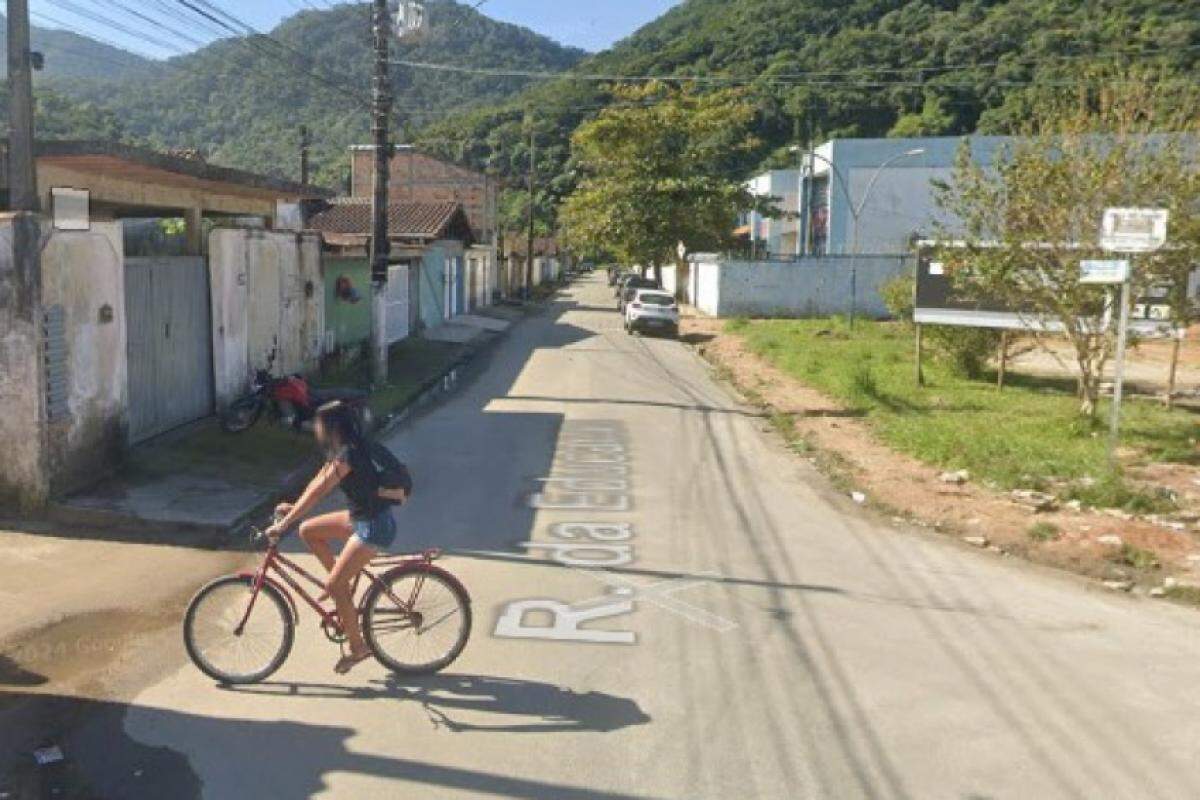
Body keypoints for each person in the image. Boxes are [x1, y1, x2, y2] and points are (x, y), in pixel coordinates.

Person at [265, 401, 403, 674]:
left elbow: (320, 492)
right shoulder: (343, 452)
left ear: (332, 428)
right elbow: (317, 482)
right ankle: (341, 587)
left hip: (373, 527)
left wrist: (283, 526)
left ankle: (358, 647)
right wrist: (294, 512)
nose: (314, 428)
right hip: (360, 519)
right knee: (309, 531)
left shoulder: (348, 456)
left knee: (336, 584)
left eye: (318, 423)